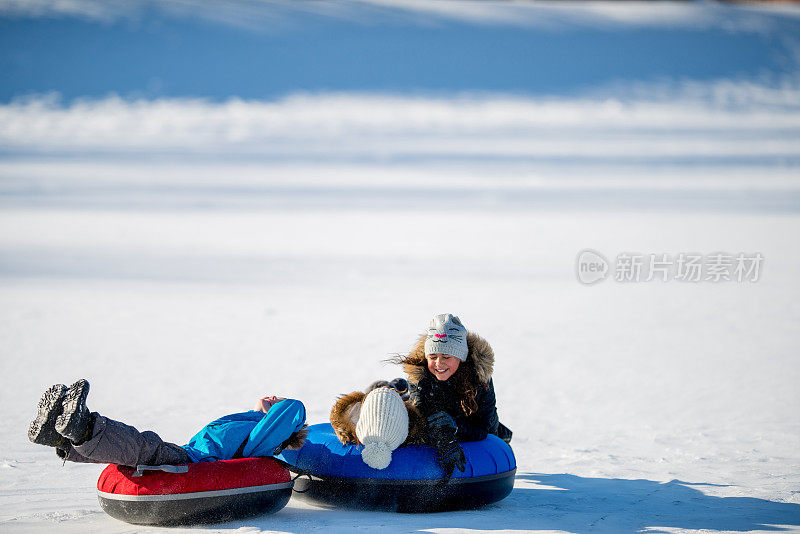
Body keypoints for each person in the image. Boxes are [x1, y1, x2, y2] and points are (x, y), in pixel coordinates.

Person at [28, 379, 308, 468]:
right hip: (188, 452)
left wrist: (287, 415)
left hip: (194, 463)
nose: (273, 397)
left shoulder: (266, 435)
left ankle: (83, 427)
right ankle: (59, 435)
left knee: (143, 446)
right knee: (140, 449)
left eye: (277, 399)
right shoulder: (253, 421)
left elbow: (292, 409)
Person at [395, 313, 512, 481]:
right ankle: (395, 386)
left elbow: (485, 428)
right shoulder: (420, 376)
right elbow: (423, 415)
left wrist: (456, 427)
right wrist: (443, 435)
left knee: (496, 431)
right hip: (438, 407)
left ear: (461, 358)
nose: (438, 363)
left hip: (469, 416)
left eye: (447, 357)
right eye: (433, 357)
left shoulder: (479, 379)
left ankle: (504, 433)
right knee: (406, 400)